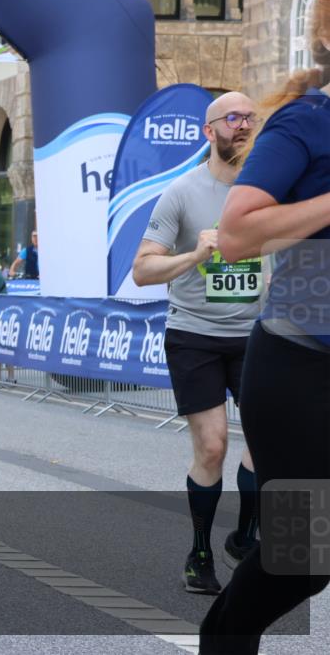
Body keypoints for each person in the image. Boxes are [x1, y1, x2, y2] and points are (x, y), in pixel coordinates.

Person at [199, 0, 330, 651]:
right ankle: (224, 635)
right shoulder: (306, 123)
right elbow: (237, 233)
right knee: (303, 554)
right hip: (304, 365)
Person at [132, 91, 262, 595]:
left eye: (251, 117)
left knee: (272, 443)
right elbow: (143, 270)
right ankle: (200, 551)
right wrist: (195, 254)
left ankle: (245, 539)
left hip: (259, 336)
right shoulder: (182, 193)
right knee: (213, 446)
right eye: (233, 118)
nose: (244, 125)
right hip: (196, 336)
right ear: (209, 132)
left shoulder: (270, 191)